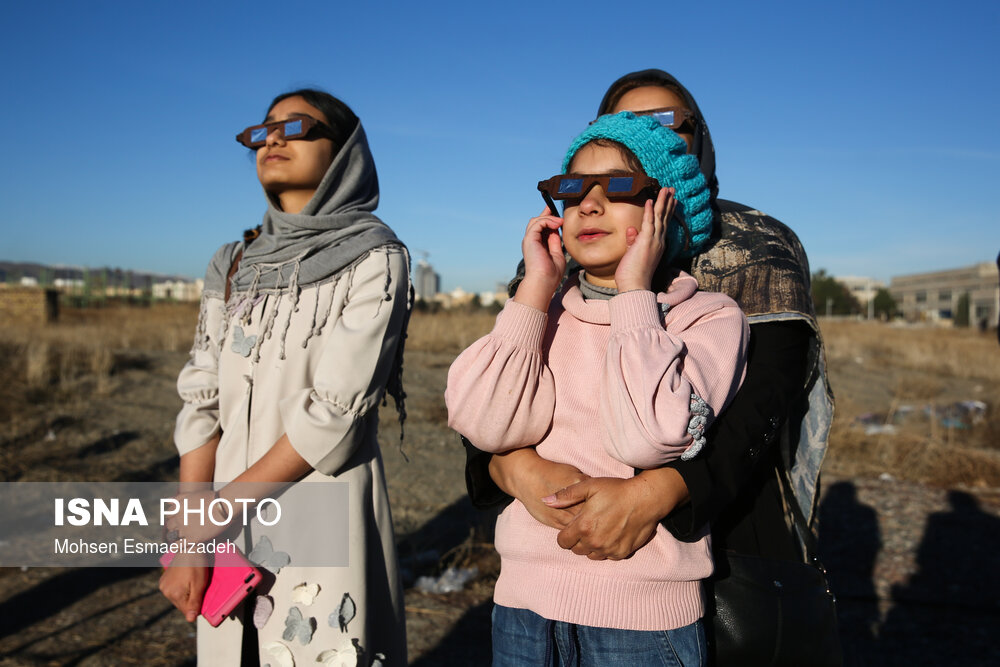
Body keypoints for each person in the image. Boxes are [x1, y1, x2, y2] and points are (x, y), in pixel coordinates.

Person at [465, 69, 834, 659]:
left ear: (698, 136)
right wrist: (513, 470)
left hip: (711, 527)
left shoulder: (759, 246)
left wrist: (659, 492)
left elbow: (764, 401)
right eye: (619, 125)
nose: (638, 138)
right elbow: (499, 400)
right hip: (539, 580)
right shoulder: (560, 266)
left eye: (662, 122)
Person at [447, 112, 750, 665]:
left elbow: (650, 439)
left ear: (667, 208)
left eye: (616, 186)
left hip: (642, 619)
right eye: (571, 189)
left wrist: (634, 293)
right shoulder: (541, 315)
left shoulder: (707, 319)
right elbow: (483, 423)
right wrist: (536, 290)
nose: (587, 204)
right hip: (522, 607)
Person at [159, 89, 410, 666]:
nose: (271, 138)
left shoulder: (375, 257)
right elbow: (202, 398)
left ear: (345, 150)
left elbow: (336, 414)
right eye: (262, 130)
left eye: (296, 126)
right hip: (220, 520)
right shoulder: (232, 263)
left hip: (316, 507)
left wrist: (215, 519)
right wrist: (193, 527)